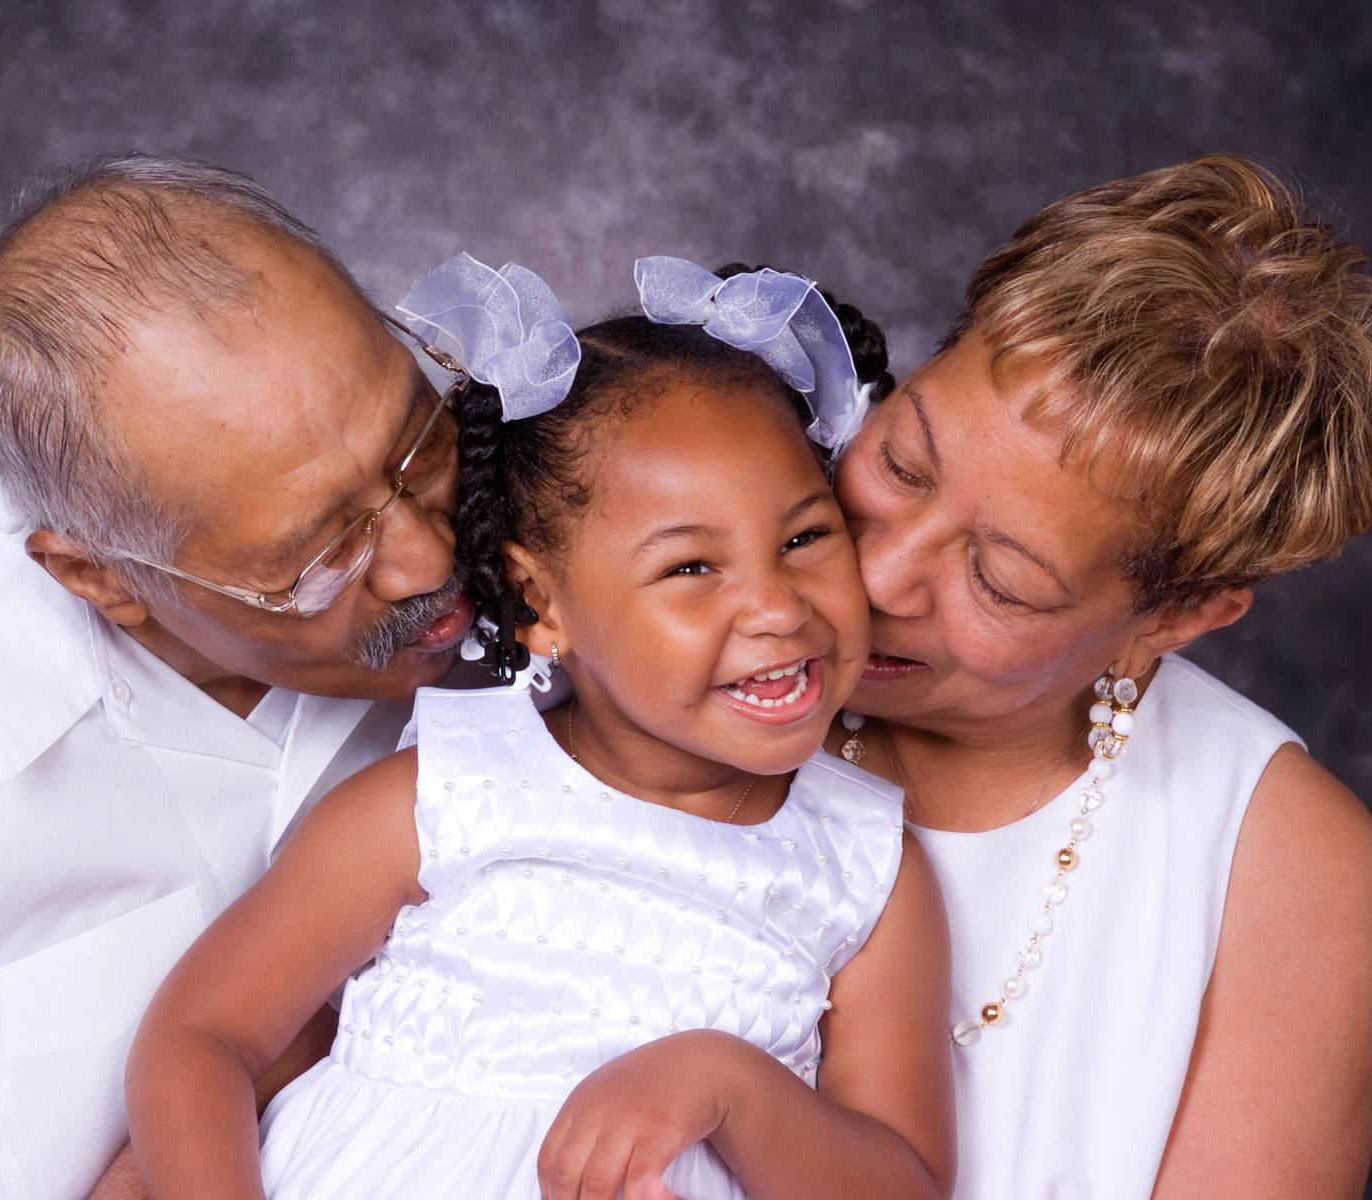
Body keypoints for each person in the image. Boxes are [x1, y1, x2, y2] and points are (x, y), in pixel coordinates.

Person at [0, 154, 474, 1199]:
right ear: (99, 577)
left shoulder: (558, 499)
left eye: (414, 445)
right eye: (318, 557)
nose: (429, 562)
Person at [124, 255, 955, 1200]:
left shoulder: (863, 867)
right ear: (539, 601)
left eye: (807, 539)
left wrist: (730, 1086)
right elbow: (200, 1037)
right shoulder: (443, 799)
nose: (776, 607)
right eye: (690, 568)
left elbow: (907, 1184)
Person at [828, 155, 1372, 1198]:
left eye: (1000, 581)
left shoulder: (1279, 862)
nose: (876, 574)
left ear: (1180, 616)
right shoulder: (664, 627)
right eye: (902, 465)